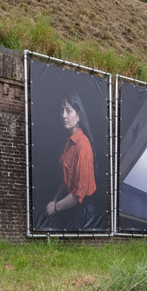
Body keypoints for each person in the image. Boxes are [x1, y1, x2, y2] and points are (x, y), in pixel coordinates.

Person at [40, 91, 97, 230]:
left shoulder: (82, 146)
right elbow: (66, 179)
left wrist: (56, 207)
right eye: (62, 111)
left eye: (68, 111)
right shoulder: (69, 141)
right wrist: (54, 200)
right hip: (69, 201)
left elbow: (78, 196)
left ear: (78, 115)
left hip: (83, 210)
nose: (63, 115)